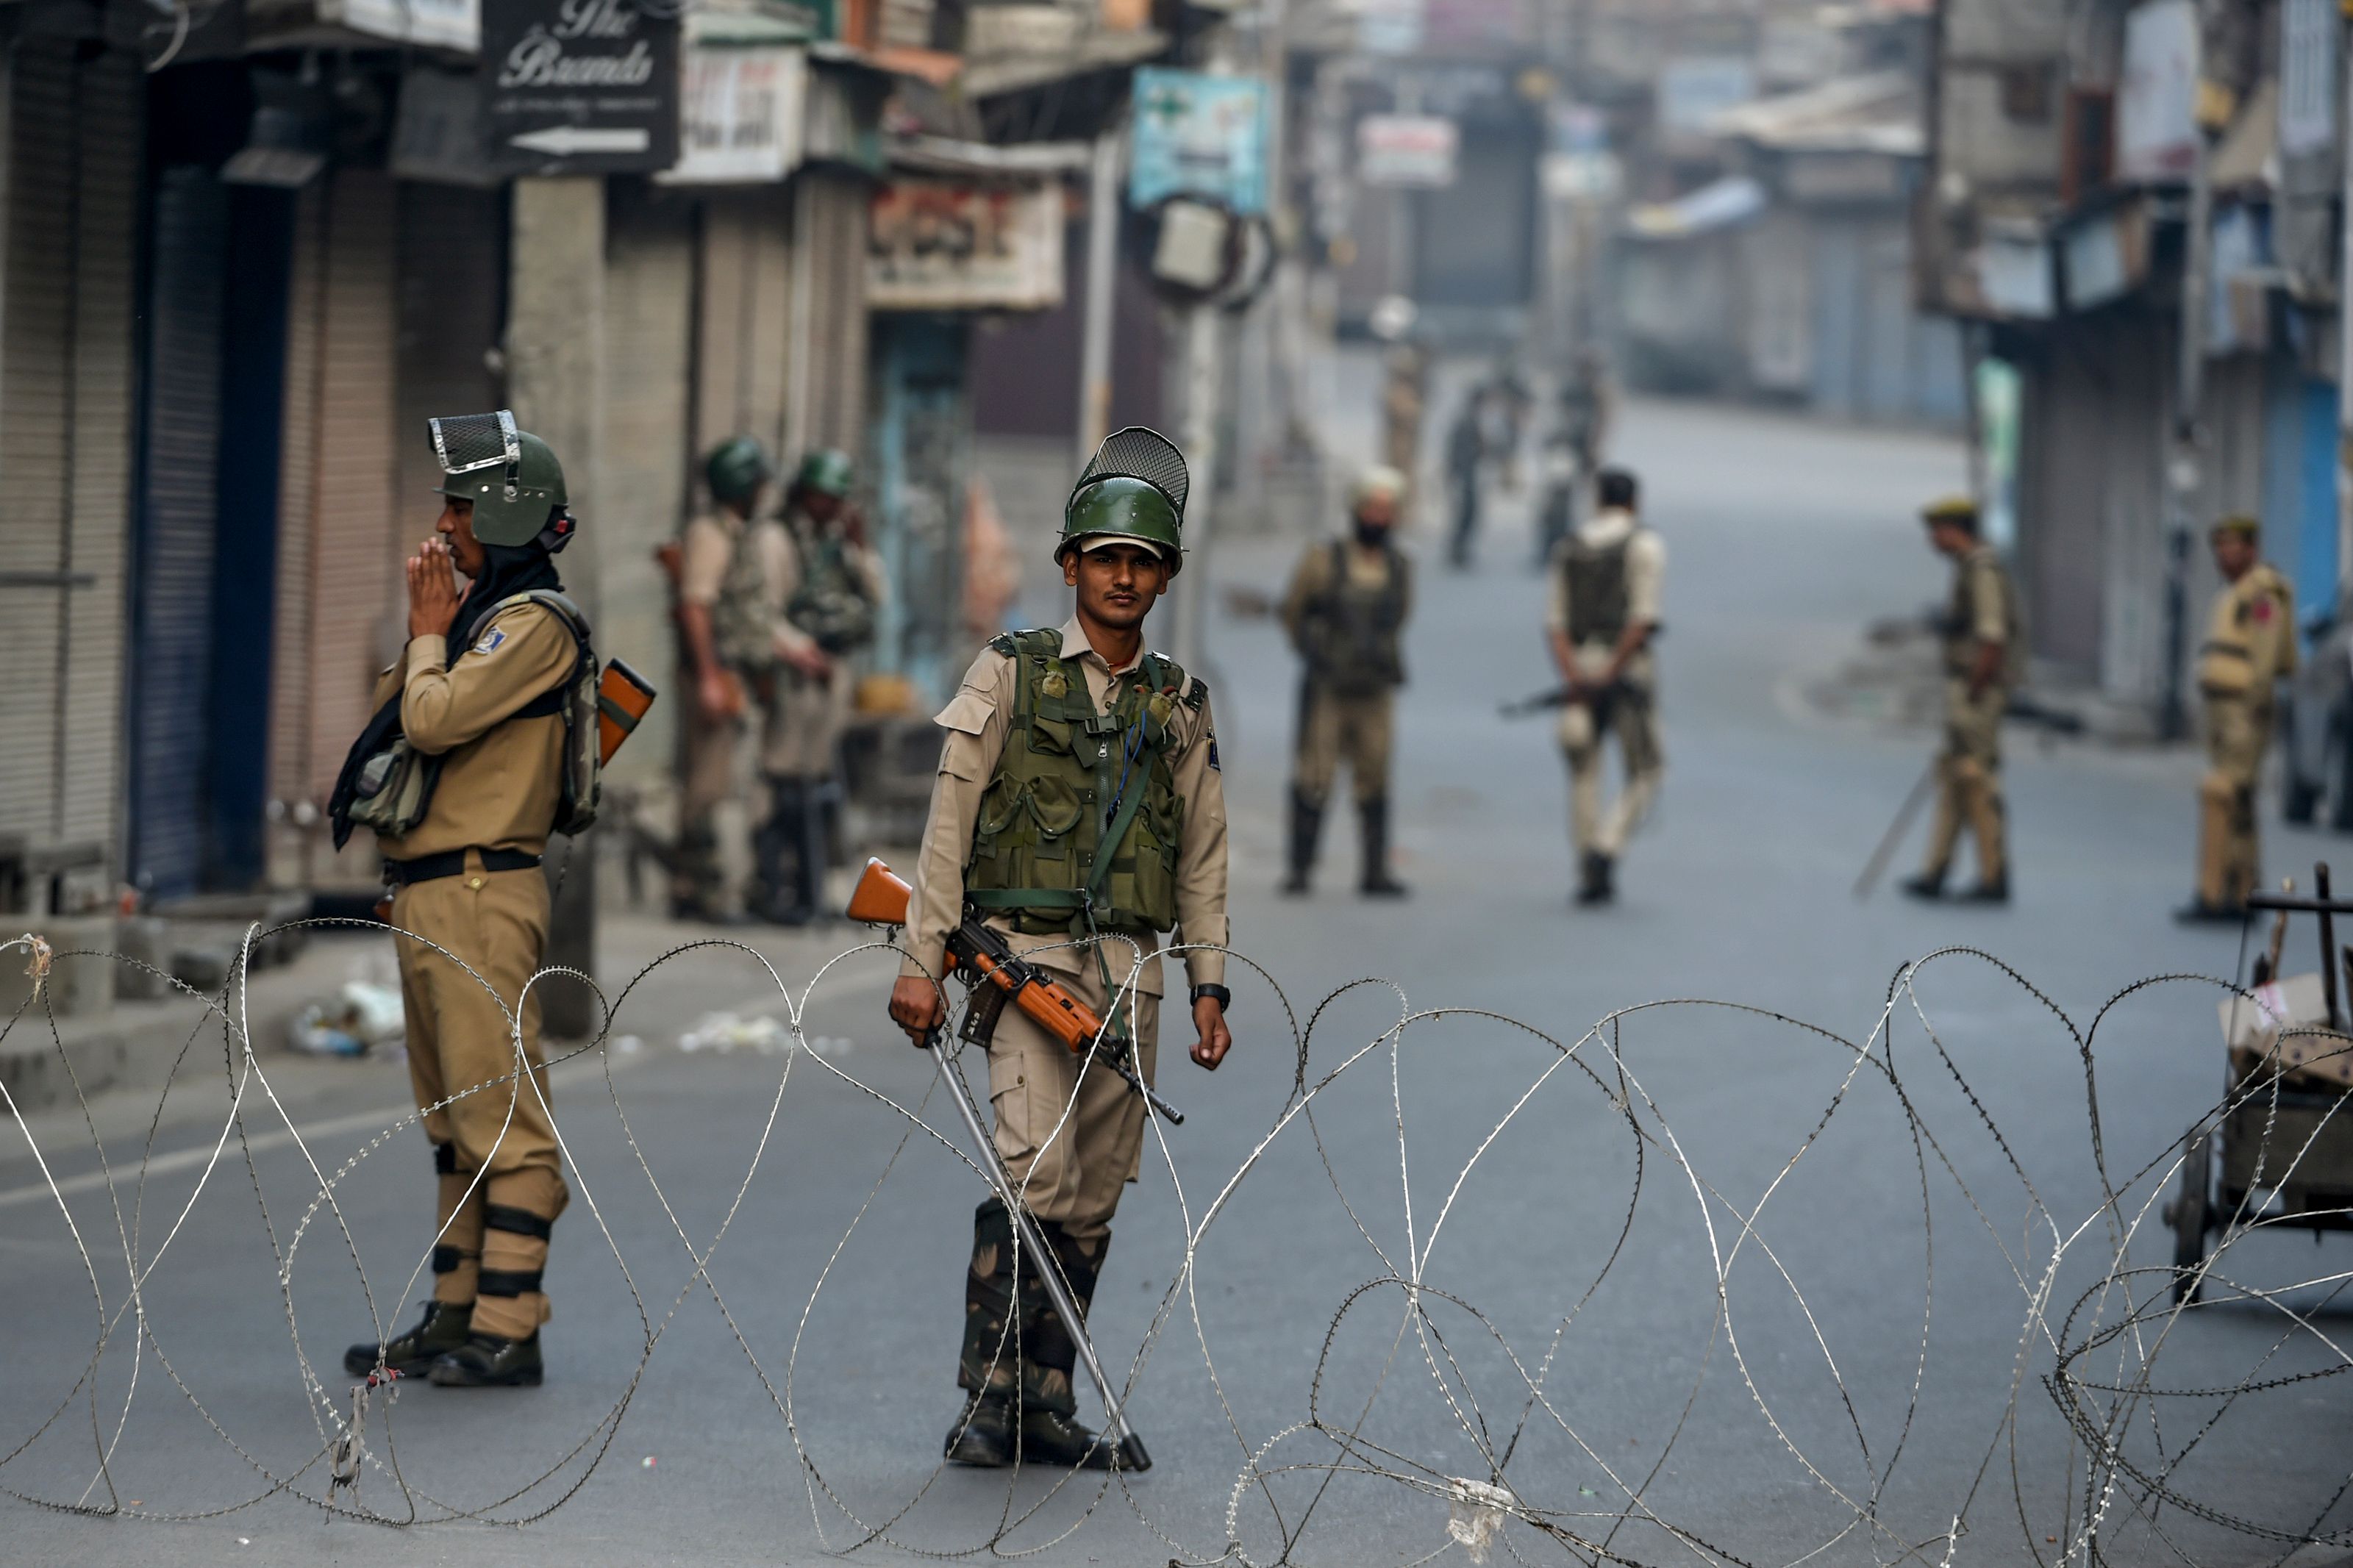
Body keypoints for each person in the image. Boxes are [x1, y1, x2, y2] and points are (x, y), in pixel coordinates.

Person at [886, 426, 1232, 1471]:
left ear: (1163, 577)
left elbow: (1205, 855)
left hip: (1132, 971)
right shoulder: (1011, 673)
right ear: (1071, 565)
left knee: (1092, 1192)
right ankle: (988, 1397)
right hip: (1022, 964)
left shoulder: (1177, 704)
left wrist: (1210, 981)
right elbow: (949, 820)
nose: (1123, 576)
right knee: (1034, 1170)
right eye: (1105, 557)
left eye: (1143, 561)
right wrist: (921, 956)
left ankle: (1049, 1398)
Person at [340, 411, 584, 1389]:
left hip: (485, 888)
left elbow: (431, 720)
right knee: (452, 1118)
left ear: (506, 513)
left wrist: (430, 635)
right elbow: (398, 708)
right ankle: (453, 1313)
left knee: (502, 1116)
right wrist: (434, 636)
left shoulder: (533, 625)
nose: (442, 523)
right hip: (435, 889)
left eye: (459, 504)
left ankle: (510, 1320)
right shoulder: (482, 620)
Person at [749, 448, 885, 925]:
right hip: (793, 671)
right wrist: (801, 652)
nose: (829, 507)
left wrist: (861, 547)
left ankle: (811, 886)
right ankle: (775, 885)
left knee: (817, 778)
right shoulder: (777, 537)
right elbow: (765, 611)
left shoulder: (838, 541)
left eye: (836, 499)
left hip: (833, 669)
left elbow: (875, 596)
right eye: (822, 497)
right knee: (784, 777)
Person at [1279, 465, 1414, 898]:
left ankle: (1375, 872)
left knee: (1375, 775)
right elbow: (1293, 610)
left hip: (1375, 690)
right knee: (1314, 776)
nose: (1379, 517)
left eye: (1387, 509)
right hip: (1328, 690)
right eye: (1372, 507)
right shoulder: (1324, 559)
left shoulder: (1399, 566)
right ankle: (1300, 869)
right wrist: (1315, 653)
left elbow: (1401, 618)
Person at [666, 437, 775, 923]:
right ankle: (699, 890)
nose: (762, 491)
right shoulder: (710, 533)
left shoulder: (735, 532)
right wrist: (710, 676)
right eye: (755, 482)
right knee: (708, 787)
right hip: (714, 675)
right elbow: (696, 604)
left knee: (719, 781)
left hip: (733, 673)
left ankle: (693, 885)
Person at [1547, 467, 1665, 906]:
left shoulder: (1569, 548)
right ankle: (1606, 846)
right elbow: (1641, 621)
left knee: (1582, 767)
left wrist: (1575, 677)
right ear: (1635, 502)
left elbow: (1554, 625)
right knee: (1647, 768)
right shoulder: (1645, 545)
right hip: (1627, 670)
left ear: (1598, 501)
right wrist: (1613, 670)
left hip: (1578, 664)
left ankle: (1585, 862)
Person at [1901, 496, 2024, 905]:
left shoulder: (1982, 569)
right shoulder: (1968, 568)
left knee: (1976, 777)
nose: (1933, 540)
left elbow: (1992, 637)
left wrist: (1974, 690)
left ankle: (1994, 876)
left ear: (1956, 530)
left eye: (1938, 531)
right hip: (1967, 685)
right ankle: (1936, 871)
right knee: (1953, 777)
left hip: (1977, 687)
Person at [2179, 515, 2298, 921]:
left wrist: (2254, 706)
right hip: (2222, 710)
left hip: (2243, 711)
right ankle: (2243, 892)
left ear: (2251, 549)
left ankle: (2212, 893)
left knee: (2220, 793)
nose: (2223, 555)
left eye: (2232, 547)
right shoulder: (2234, 593)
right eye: (2219, 548)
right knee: (2240, 804)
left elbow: (2265, 657)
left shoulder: (2262, 592)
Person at [1446, 388, 1488, 569]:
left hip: (1470, 475)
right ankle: (1458, 551)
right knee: (1465, 514)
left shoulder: (1474, 421)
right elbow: (1459, 452)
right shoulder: (1466, 422)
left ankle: (1461, 550)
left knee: (1469, 514)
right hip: (1465, 476)